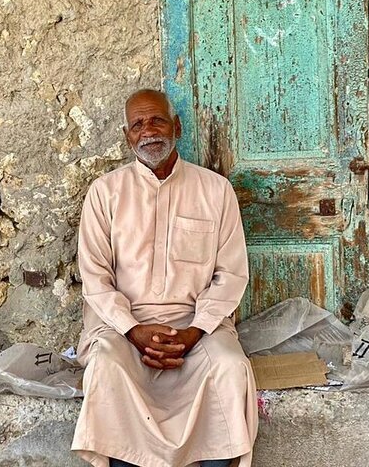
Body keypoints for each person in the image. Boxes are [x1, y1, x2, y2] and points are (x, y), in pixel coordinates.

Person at [71, 90, 257, 467]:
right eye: (137, 125)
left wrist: (194, 331)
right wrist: (133, 330)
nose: (148, 131)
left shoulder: (215, 190)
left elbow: (231, 274)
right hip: (121, 328)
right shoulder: (105, 193)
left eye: (157, 120)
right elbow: (95, 277)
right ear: (127, 136)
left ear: (177, 127)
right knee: (106, 368)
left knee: (230, 367)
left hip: (197, 327)